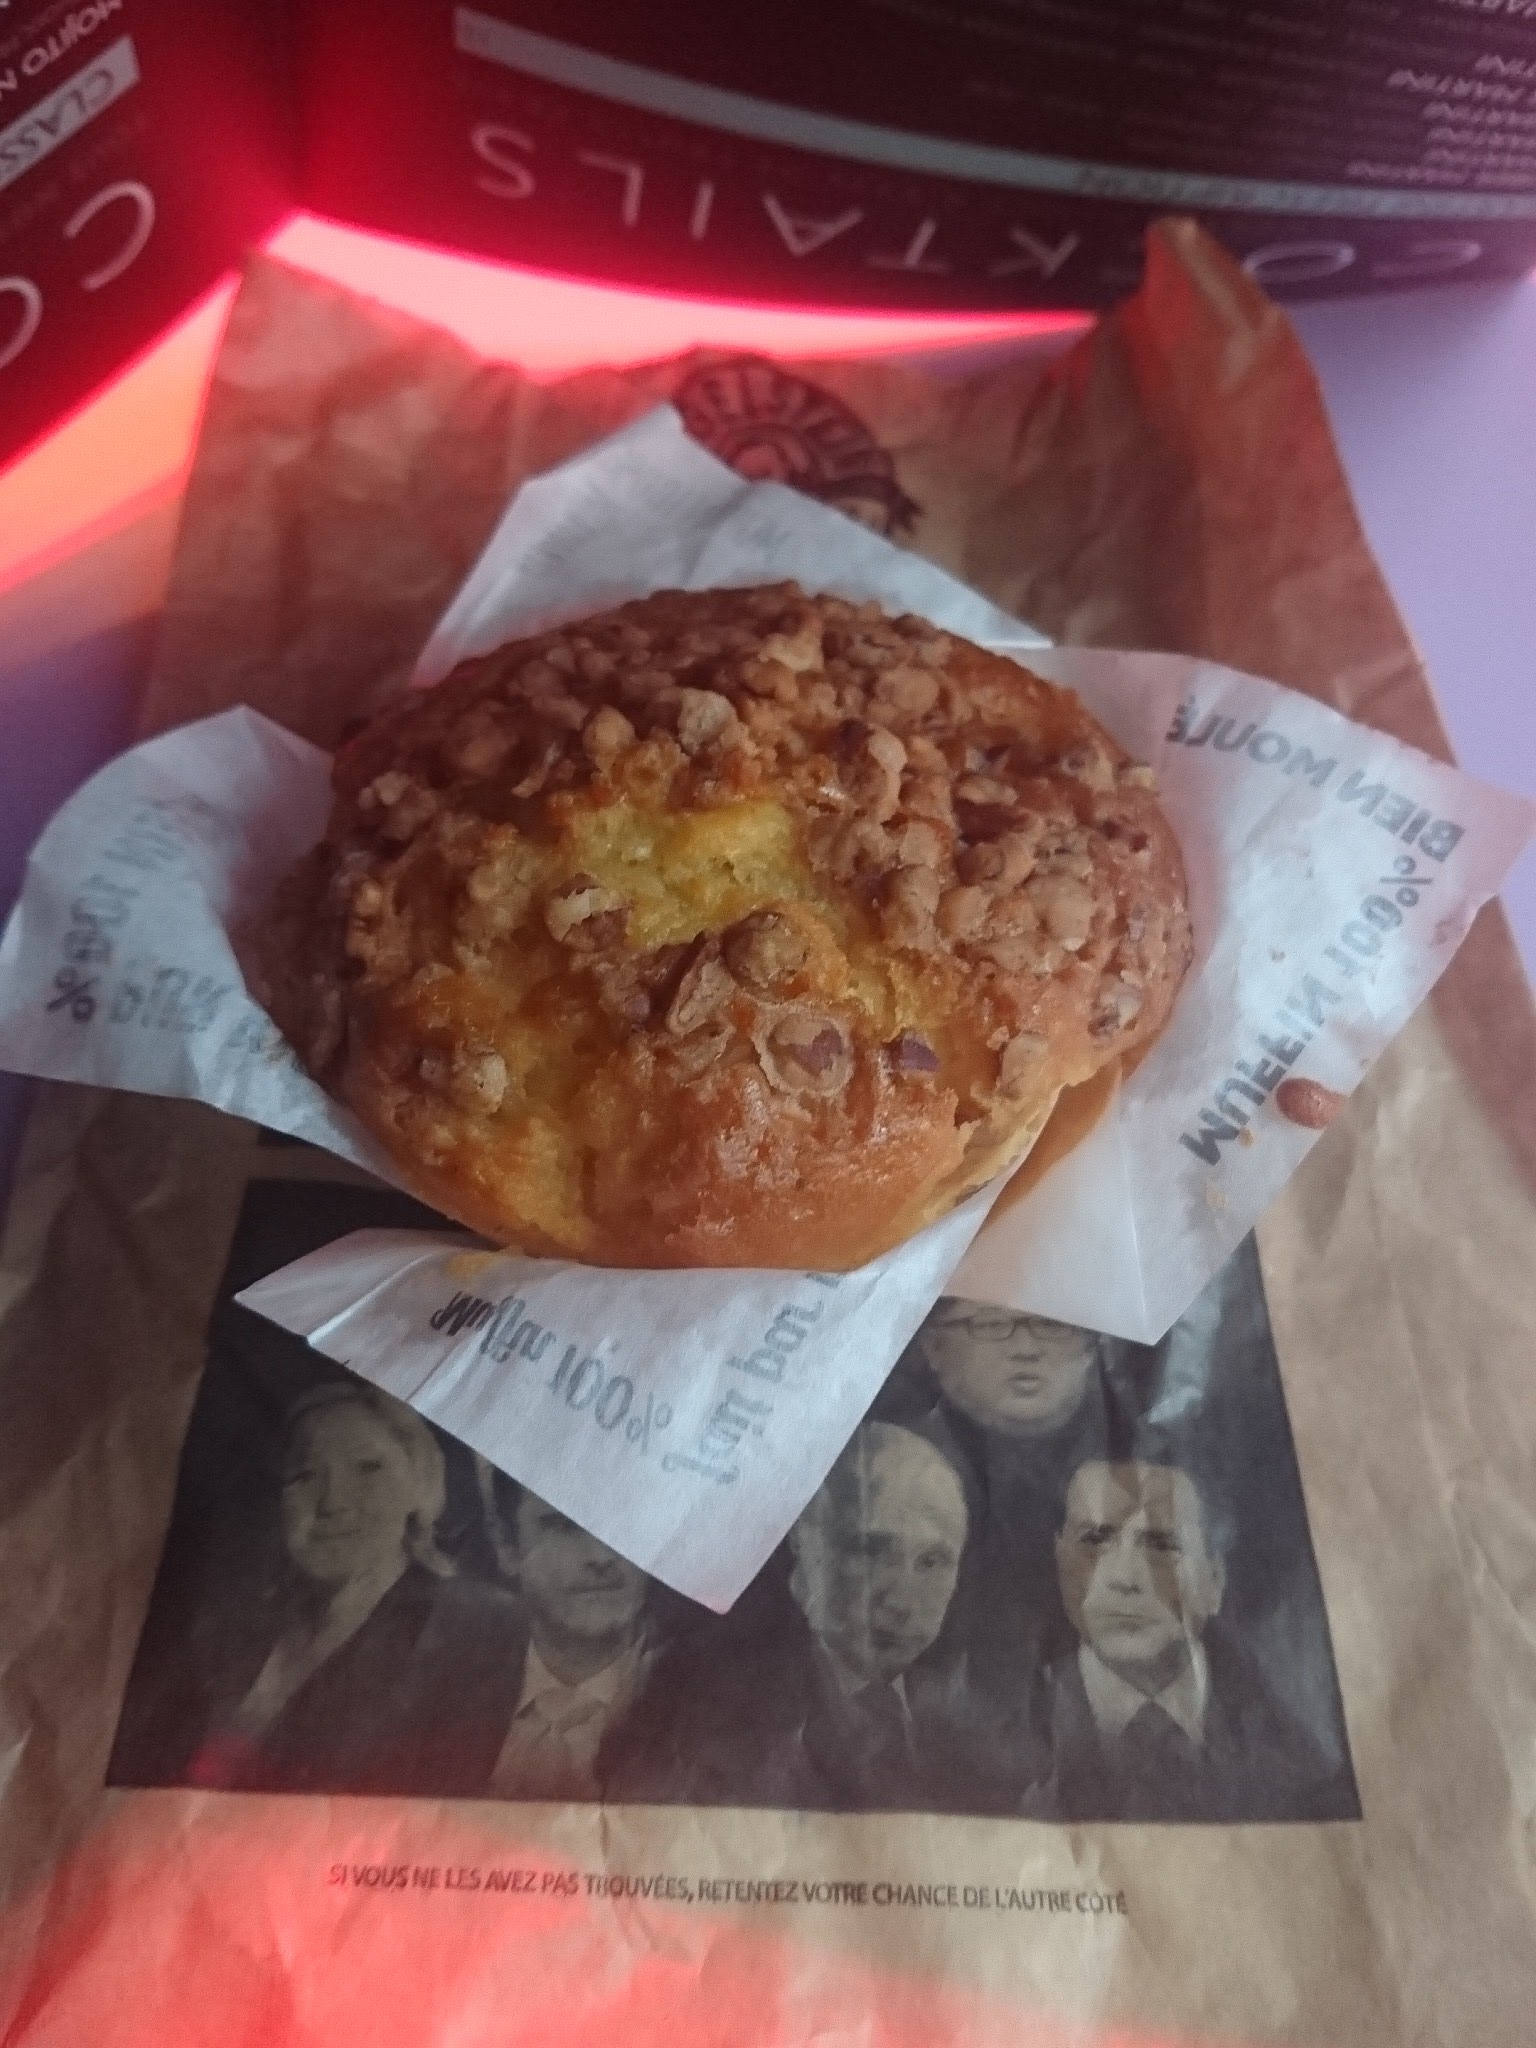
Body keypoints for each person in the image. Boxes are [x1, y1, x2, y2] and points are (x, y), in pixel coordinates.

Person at [112, 1381, 526, 1797]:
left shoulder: (473, 1622)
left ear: (419, 1484)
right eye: (305, 1475)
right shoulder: (232, 1630)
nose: (332, 1502)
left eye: (368, 1468)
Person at [611, 1421, 978, 1812]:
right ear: (807, 1542)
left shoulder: (971, 1718)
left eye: (932, 1561)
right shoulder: (717, 1706)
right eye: (871, 1551)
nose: (901, 1600)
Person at [1027, 1453, 1355, 1823]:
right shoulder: (1006, 1741)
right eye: (1095, 1540)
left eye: (1161, 1546)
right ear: (1060, 1560)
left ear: (1214, 1582)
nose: (1124, 1578)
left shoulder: (1303, 1756)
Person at [481, 1480, 658, 1801]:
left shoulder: (715, 1713)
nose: (601, 1556)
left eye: (627, 1526)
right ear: (506, 1545)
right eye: (563, 1525)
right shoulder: (442, 1696)